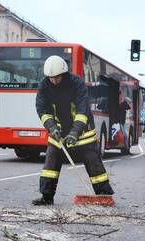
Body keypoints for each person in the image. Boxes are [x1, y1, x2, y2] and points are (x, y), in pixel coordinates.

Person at [32, 55, 114, 205]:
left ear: (63, 73)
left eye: (56, 77)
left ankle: (104, 195)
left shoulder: (76, 83)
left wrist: (75, 132)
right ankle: (47, 196)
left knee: (93, 161)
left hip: (83, 131)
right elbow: (42, 110)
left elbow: (82, 110)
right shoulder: (44, 86)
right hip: (58, 131)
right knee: (50, 163)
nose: (54, 81)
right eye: (51, 78)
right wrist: (51, 127)